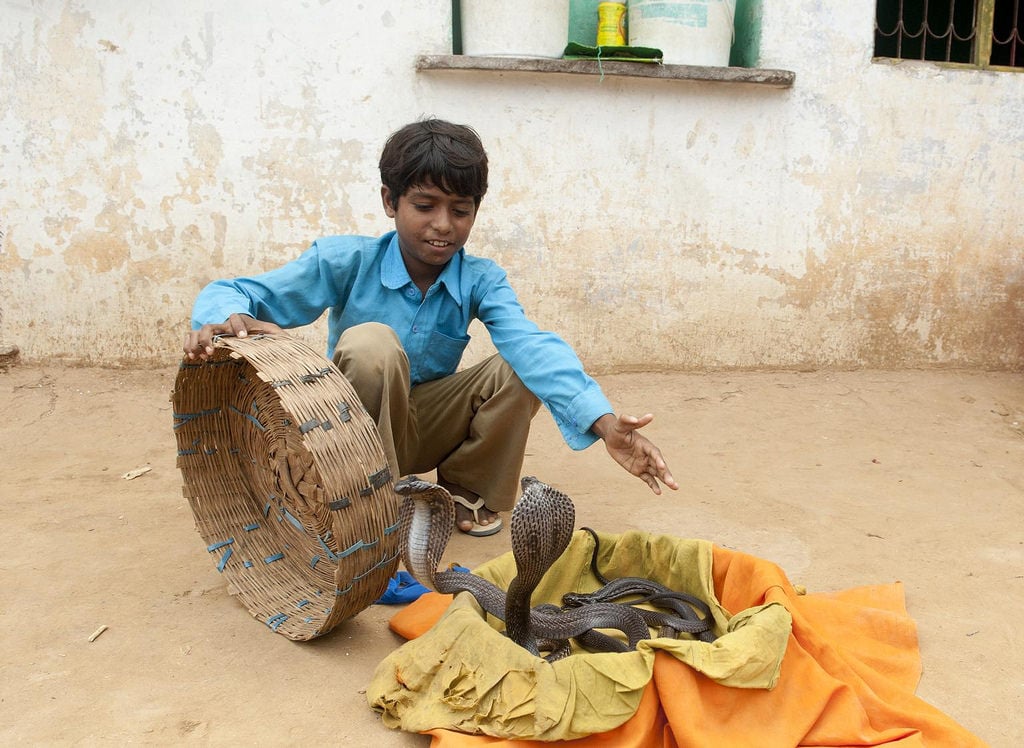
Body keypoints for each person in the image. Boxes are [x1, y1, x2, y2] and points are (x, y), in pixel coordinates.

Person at [184, 118, 677, 537]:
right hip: (349, 430)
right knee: (372, 344)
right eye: (425, 206)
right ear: (389, 201)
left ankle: (465, 488)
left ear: (475, 212)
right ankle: (367, 498)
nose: (443, 225)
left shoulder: (482, 279)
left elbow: (533, 346)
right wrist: (223, 318)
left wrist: (604, 422)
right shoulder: (344, 259)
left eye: (460, 211)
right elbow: (238, 291)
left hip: (423, 427)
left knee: (521, 366)